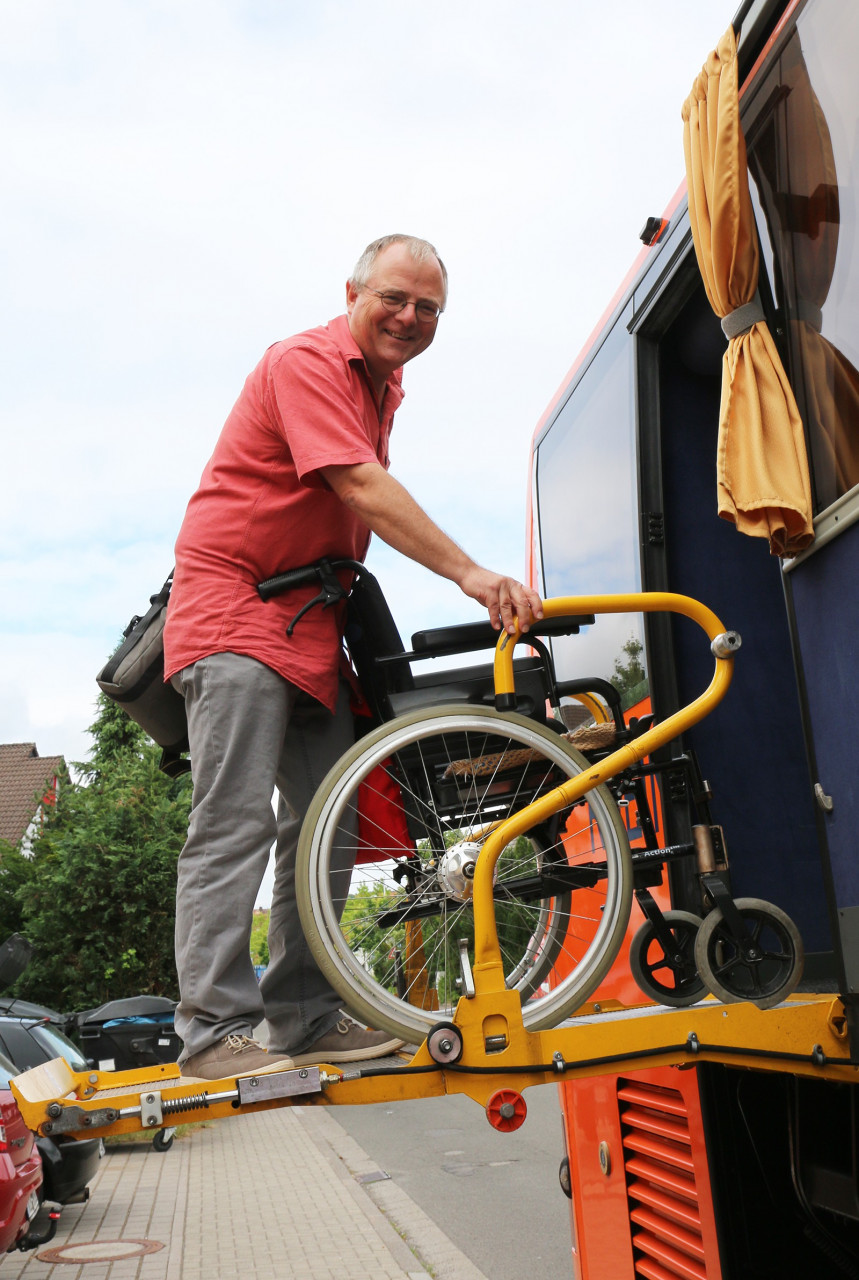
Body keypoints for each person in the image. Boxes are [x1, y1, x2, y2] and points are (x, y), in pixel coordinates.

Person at [163, 234, 543, 1082]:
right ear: (352, 293)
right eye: (394, 300)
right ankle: (212, 1032)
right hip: (237, 610)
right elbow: (359, 485)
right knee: (234, 822)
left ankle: (304, 1015)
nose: (409, 318)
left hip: (309, 623)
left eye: (429, 309)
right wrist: (471, 575)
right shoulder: (306, 361)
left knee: (326, 825)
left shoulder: (383, 383)